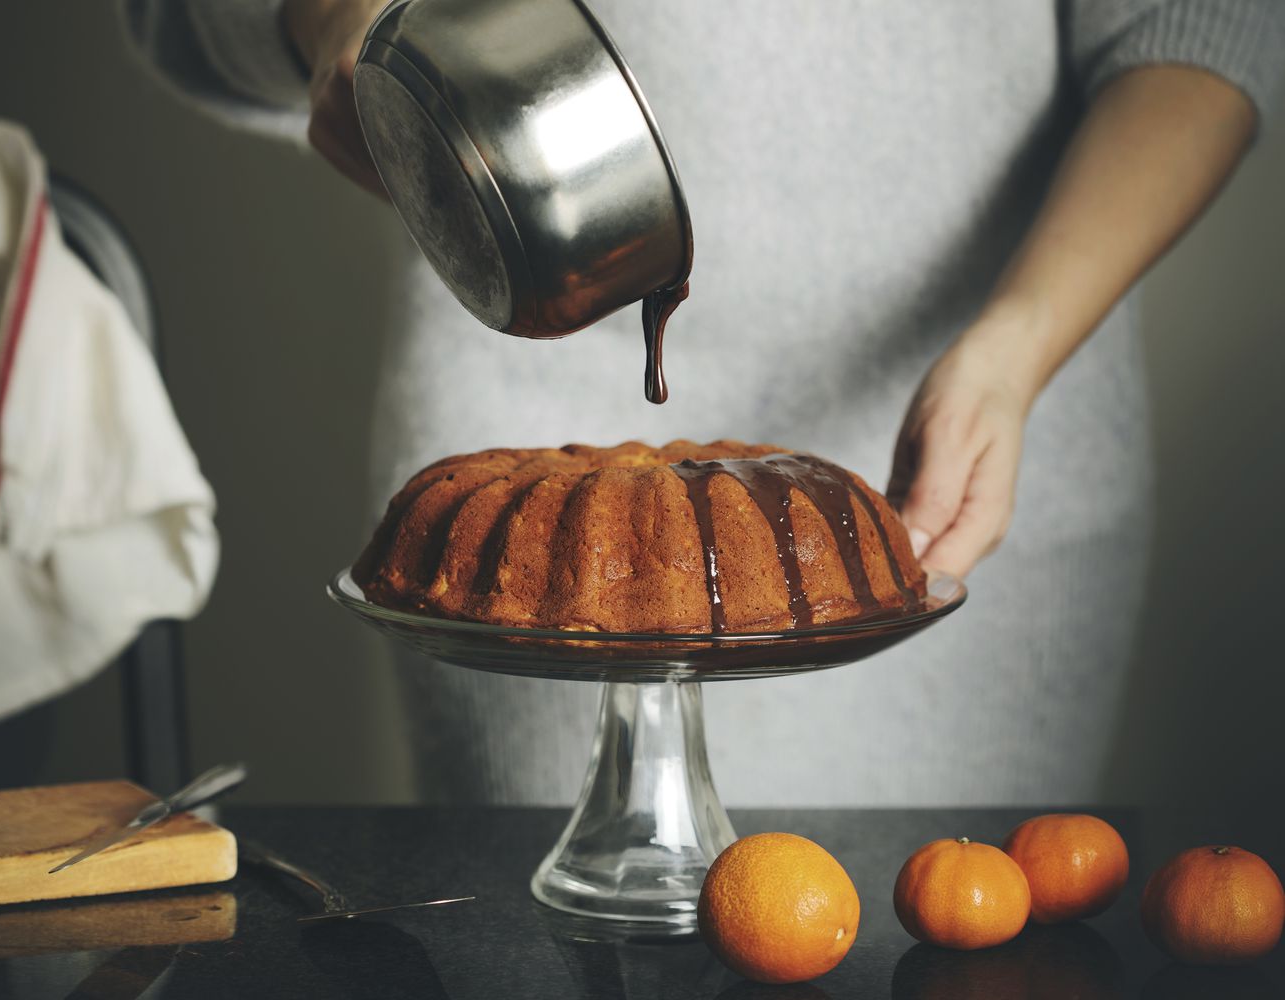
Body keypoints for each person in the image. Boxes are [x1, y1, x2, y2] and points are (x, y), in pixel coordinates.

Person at [127, 0, 1283, 806]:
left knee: (937, 935)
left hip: (969, 435)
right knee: (573, 941)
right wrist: (343, 18)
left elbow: (1201, 26)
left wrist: (1018, 344)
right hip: (527, 502)